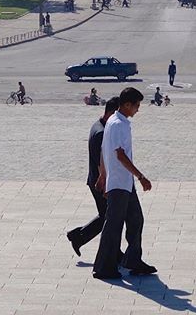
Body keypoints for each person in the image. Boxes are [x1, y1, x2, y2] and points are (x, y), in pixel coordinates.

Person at [93, 87, 156, 280]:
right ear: (127, 105)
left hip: (122, 183)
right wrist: (140, 176)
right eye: (136, 106)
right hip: (120, 183)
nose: (138, 109)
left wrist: (103, 176)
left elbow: (105, 151)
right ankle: (104, 267)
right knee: (113, 226)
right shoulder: (119, 124)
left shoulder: (113, 121)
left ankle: (133, 260)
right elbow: (119, 154)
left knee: (136, 220)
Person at [67, 100, 123, 258]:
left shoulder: (98, 126)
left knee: (107, 216)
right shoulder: (101, 132)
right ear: (111, 113)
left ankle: (78, 236)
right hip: (99, 182)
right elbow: (101, 162)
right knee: (110, 217)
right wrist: (105, 184)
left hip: (97, 180)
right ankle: (79, 237)